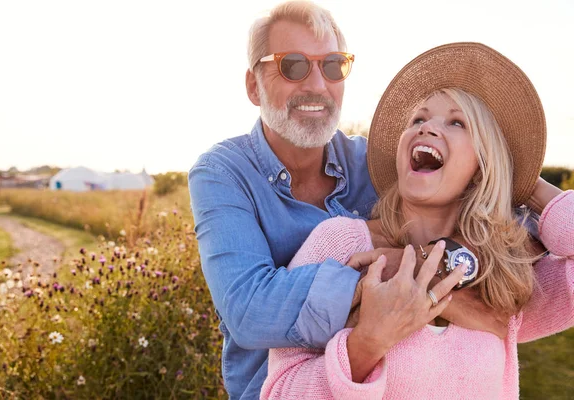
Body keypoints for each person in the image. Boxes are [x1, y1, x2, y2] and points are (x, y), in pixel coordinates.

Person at [189, 2, 529, 399]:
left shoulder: (375, 165)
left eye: (332, 65)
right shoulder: (223, 173)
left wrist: (524, 173)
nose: (317, 85)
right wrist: (405, 269)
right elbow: (248, 310)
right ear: (253, 86)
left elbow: (495, 218)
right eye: (293, 65)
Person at [260, 42, 573, 399]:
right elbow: (279, 391)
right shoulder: (342, 244)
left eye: (457, 123)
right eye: (418, 120)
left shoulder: (504, 273)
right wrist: (365, 345)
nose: (428, 129)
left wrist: (522, 182)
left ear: (482, 165)